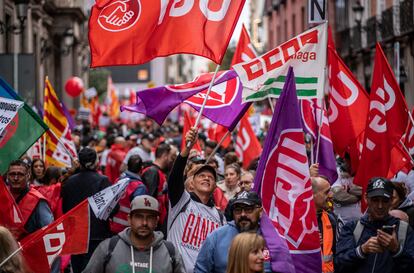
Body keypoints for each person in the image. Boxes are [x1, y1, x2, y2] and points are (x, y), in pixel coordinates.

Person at [168, 127, 225, 273]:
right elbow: (175, 177)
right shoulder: (182, 201)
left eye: (211, 177)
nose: (206, 177)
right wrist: (187, 148)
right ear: (191, 183)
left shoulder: (220, 217)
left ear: (215, 187)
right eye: (201, 175)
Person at [82, 195, 186, 273]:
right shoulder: (108, 248)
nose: (144, 223)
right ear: (129, 219)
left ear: (156, 221)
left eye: (150, 217)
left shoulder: (170, 253)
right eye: (139, 217)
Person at [334, 177, 414, 273]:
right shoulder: (352, 228)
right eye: (375, 200)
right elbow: (339, 264)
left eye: (385, 200)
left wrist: (396, 250)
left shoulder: (404, 230)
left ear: (392, 200)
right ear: (366, 198)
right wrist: (362, 250)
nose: (380, 206)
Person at [194, 191, 275, 273]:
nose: (243, 214)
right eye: (238, 210)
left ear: (260, 212)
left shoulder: (273, 238)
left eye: (248, 209)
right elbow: (200, 270)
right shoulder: (216, 237)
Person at [61, 147, 112, 273]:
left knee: (77, 268)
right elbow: (112, 209)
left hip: (76, 235)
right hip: (97, 236)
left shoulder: (69, 182)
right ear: (96, 162)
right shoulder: (103, 180)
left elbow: (65, 209)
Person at [5, 160, 53, 240]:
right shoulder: (3, 196)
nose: (16, 178)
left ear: (28, 176)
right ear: (7, 176)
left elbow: (49, 231)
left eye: (20, 175)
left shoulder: (38, 201)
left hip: (30, 250)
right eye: (12, 174)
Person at [141, 143, 178, 227]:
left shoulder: (160, 172)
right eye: (171, 157)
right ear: (165, 155)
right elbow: (149, 199)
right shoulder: (152, 172)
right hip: (154, 222)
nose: (172, 160)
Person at [109, 154, 148, 233]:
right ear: (141, 168)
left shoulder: (118, 181)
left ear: (127, 166)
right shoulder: (140, 187)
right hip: (127, 230)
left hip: (112, 226)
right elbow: (139, 210)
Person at [311, 176, 339, 273]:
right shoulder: (296, 222)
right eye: (326, 192)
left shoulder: (331, 219)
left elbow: (337, 254)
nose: (331, 195)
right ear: (311, 195)